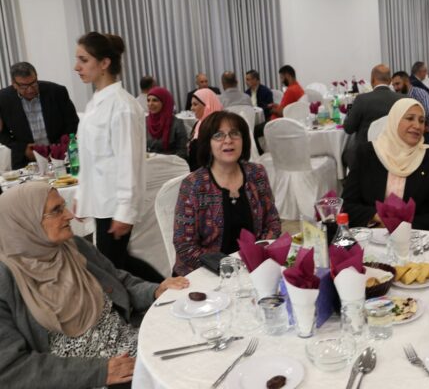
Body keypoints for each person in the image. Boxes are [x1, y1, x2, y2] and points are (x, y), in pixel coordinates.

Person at [0, 182, 189, 388]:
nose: (69, 215)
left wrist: (154, 291)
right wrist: (100, 372)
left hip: (129, 349)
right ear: (24, 222)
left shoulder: (73, 247)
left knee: (193, 351)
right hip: (83, 379)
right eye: (56, 210)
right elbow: (10, 369)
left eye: (64, 206)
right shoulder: (6, 281)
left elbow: (118, 281)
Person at [74, 32, 161, 282]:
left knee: (113, 267)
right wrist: (81, 194)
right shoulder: (95, 104)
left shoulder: (123, 106)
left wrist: (125, 210)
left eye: (83, 60)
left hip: (114, 201)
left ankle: (163, 288)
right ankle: (165, 288)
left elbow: (129, 162)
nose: (76, 67)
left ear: (104, 63)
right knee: (116, 264)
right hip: (101, 199)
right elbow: (90, 158)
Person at [173, 111, 281, 276]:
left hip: (253, 268)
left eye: (234, 133)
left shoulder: (256, 173)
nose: (228, 140)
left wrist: (258, 254)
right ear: (208, 143)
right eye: (218, 135)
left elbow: (272, 222)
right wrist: (229, 267)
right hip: (205, 273)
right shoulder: (194, 185)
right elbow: (184, 246)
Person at [342, 98, 429, 231]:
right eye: (410, 118)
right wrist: (377, 217)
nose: (417, 126)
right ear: (395, 121)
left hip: (412, 236)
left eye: (422, 121)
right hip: (372, 233)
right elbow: (347, 204)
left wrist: (401, 227)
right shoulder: (367, 154)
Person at [0, 62, 79, 169]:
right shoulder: (3, 99)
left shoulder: (57, 92)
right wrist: (22, 148)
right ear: (14, 84)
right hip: (25, 159)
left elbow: (72, 122)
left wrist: (58, 147)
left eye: (33, 83)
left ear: (36, 77)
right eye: (24, 86)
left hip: (60, 155)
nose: (30, 90)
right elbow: (2, 133)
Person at [342, 64, 403, 167]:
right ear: (390, 81)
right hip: (395, 154)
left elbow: (348, 128)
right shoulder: (402, 99)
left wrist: (348, 113)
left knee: (345, 155)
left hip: (365, 155)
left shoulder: (362, 99)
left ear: (372, 80)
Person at [254, 65, 304, 155]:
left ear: (287, 76)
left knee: (254, 131)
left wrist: (272, 110)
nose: (281, 81)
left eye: (281, 77)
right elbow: (288, 108)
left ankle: (261, 155)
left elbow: (282, 113)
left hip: (277, 123)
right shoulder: (298, 88)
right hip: (288, 120)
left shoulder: (290, 90)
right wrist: (276, 106)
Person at [391, 71, 429, 144]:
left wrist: (423, 125)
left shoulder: (419, 93)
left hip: (426, 132)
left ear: (406, 81)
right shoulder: (399, 97)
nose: (395, 88)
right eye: (393, 85)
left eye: (397, 84)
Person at [146, 86, 188, 158]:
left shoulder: (176, 124)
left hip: (171, 162)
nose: (150, 104)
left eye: (155, 100)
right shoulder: (144, 122)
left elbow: (182, 151)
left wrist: (165, 161)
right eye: (148, 100)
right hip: (150, 162)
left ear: (165, 102)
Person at [187, 88, 223, 171]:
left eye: (195, 104)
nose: (191, 108)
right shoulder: (198, 124)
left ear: (207, 105)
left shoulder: (217, 127)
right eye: (191, 104)